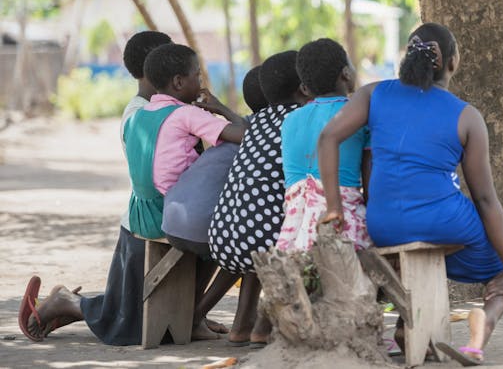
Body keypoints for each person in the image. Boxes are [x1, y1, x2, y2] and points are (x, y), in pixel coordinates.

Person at [317, 23, 503, 365]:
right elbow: (485, 198)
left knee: (422, 256)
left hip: (383, 224)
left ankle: (406, 326)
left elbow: (328, 138)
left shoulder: (372, 94)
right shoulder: (467, 116)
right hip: (443, 221)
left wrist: (334, 208)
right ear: (453, 62)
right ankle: (481, 328)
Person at [18, 30, 172, 344]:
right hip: (144, 224)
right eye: (168, 62)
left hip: (159, 216)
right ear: (150, 69)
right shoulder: (140, 114)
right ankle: (66, 302)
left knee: (147, 320)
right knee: (127, 326)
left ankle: (70, 303)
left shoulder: (162, 108)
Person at [208, 51, 310, 347]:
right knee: (303, 228)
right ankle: (267, 327)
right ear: (305, 87)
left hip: (223, 239)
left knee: (263, 220)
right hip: (260, 243)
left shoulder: (257, 120)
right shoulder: (299, 120)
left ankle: (242, 327)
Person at [161, 64, 269, 340]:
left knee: (243, 240)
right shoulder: (265, 135)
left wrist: (221, 108)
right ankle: (214, 318)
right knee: (252, 244)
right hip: (200, 226)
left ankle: (220, 318)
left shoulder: (238, 129)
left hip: (171, 219)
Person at [276, 38, 371, 252]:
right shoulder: (359, 115)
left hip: (293, 233)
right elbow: (370, 182)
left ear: (305, 87)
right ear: (346, 73)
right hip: (341, 223)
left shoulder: (290, 121)